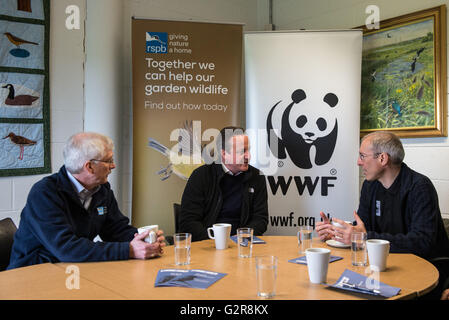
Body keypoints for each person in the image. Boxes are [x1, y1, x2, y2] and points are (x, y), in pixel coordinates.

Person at [8, 132, 165, 270]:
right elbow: (66, 248)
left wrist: (144, 239)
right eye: (109, 160)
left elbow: (116, 229)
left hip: (73, 268)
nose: (113, 165)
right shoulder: (45, 193)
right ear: (89, 167)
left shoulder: (101, 189)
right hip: (33, 273)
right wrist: (129, 250)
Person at [316, 131, 449, 259]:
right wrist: (337, 233)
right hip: (382, 261)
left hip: (425, 267)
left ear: (383, 158)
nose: (358, 162)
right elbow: (363, 227)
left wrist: (363, 238)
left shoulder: (420, 187)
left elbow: (422, 242)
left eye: (362, 156)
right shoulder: (370, 185)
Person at [179, 126, 268, 241]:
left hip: (242, 243)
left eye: (248, 150)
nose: (248, 156)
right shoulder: (201, 176)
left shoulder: (256, 177)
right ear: (224, 154)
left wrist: (242, 237)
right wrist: (216, 241)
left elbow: (260, 219)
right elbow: (189, 221)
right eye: (242, 151)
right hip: (207, 244)